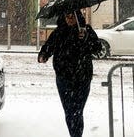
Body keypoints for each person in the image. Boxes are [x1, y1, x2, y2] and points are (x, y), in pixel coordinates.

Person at [38, 9, 102, 137]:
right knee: (69, 110)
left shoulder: (86, 30)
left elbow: (97, 49)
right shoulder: (59, 32)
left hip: (82, 76)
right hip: (64, 77)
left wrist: (86, 38)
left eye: (72, 16)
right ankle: (75, 134)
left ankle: (76, 135)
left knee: (77, 111)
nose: (70, 19)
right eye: (67, 16)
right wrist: (43, 55)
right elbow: (48, 47)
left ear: (78, 17)